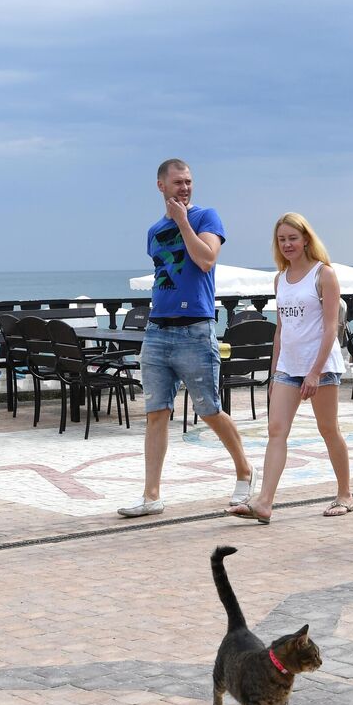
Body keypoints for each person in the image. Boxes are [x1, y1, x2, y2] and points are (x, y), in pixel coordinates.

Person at [117, 159, 254, 518]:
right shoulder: (152, 231)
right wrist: (172, 223)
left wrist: (182, 221)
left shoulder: (206, 217)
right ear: (161, 185)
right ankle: (151, 496)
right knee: (155, 413)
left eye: (189, 181)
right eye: (178, 182)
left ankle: (244, 469)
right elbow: (165, 273)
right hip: (158, 329)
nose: (185, 187)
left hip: (196, 328)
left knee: (208, 409)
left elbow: (206, 260)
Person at [226, 213, 353, 524]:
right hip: (287, 367)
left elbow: (330, 328)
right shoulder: (279, 278)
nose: (287, 244)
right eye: (282, 239)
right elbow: (281, 329)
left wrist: (314, 372)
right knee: (276, 430)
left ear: (306, 239)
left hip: (320, 367)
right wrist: (273, 372)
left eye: (292, 238)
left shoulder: (324, 275)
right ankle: (265, 502)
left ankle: (345, 493)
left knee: (328, 429)